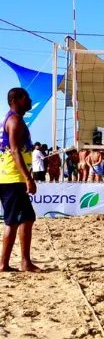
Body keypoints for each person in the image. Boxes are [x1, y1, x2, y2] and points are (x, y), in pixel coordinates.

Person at [0, 88, 41, 272]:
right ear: (16, 99)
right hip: (12, 178)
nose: (30, 100)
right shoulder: (14, 120)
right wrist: (27, 178)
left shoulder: (14, 119)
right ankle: (6, 264)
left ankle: (23, 262)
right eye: (27, 98)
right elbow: (15, 151)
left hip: (11, 177)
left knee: (26, 218)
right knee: (13, 221)